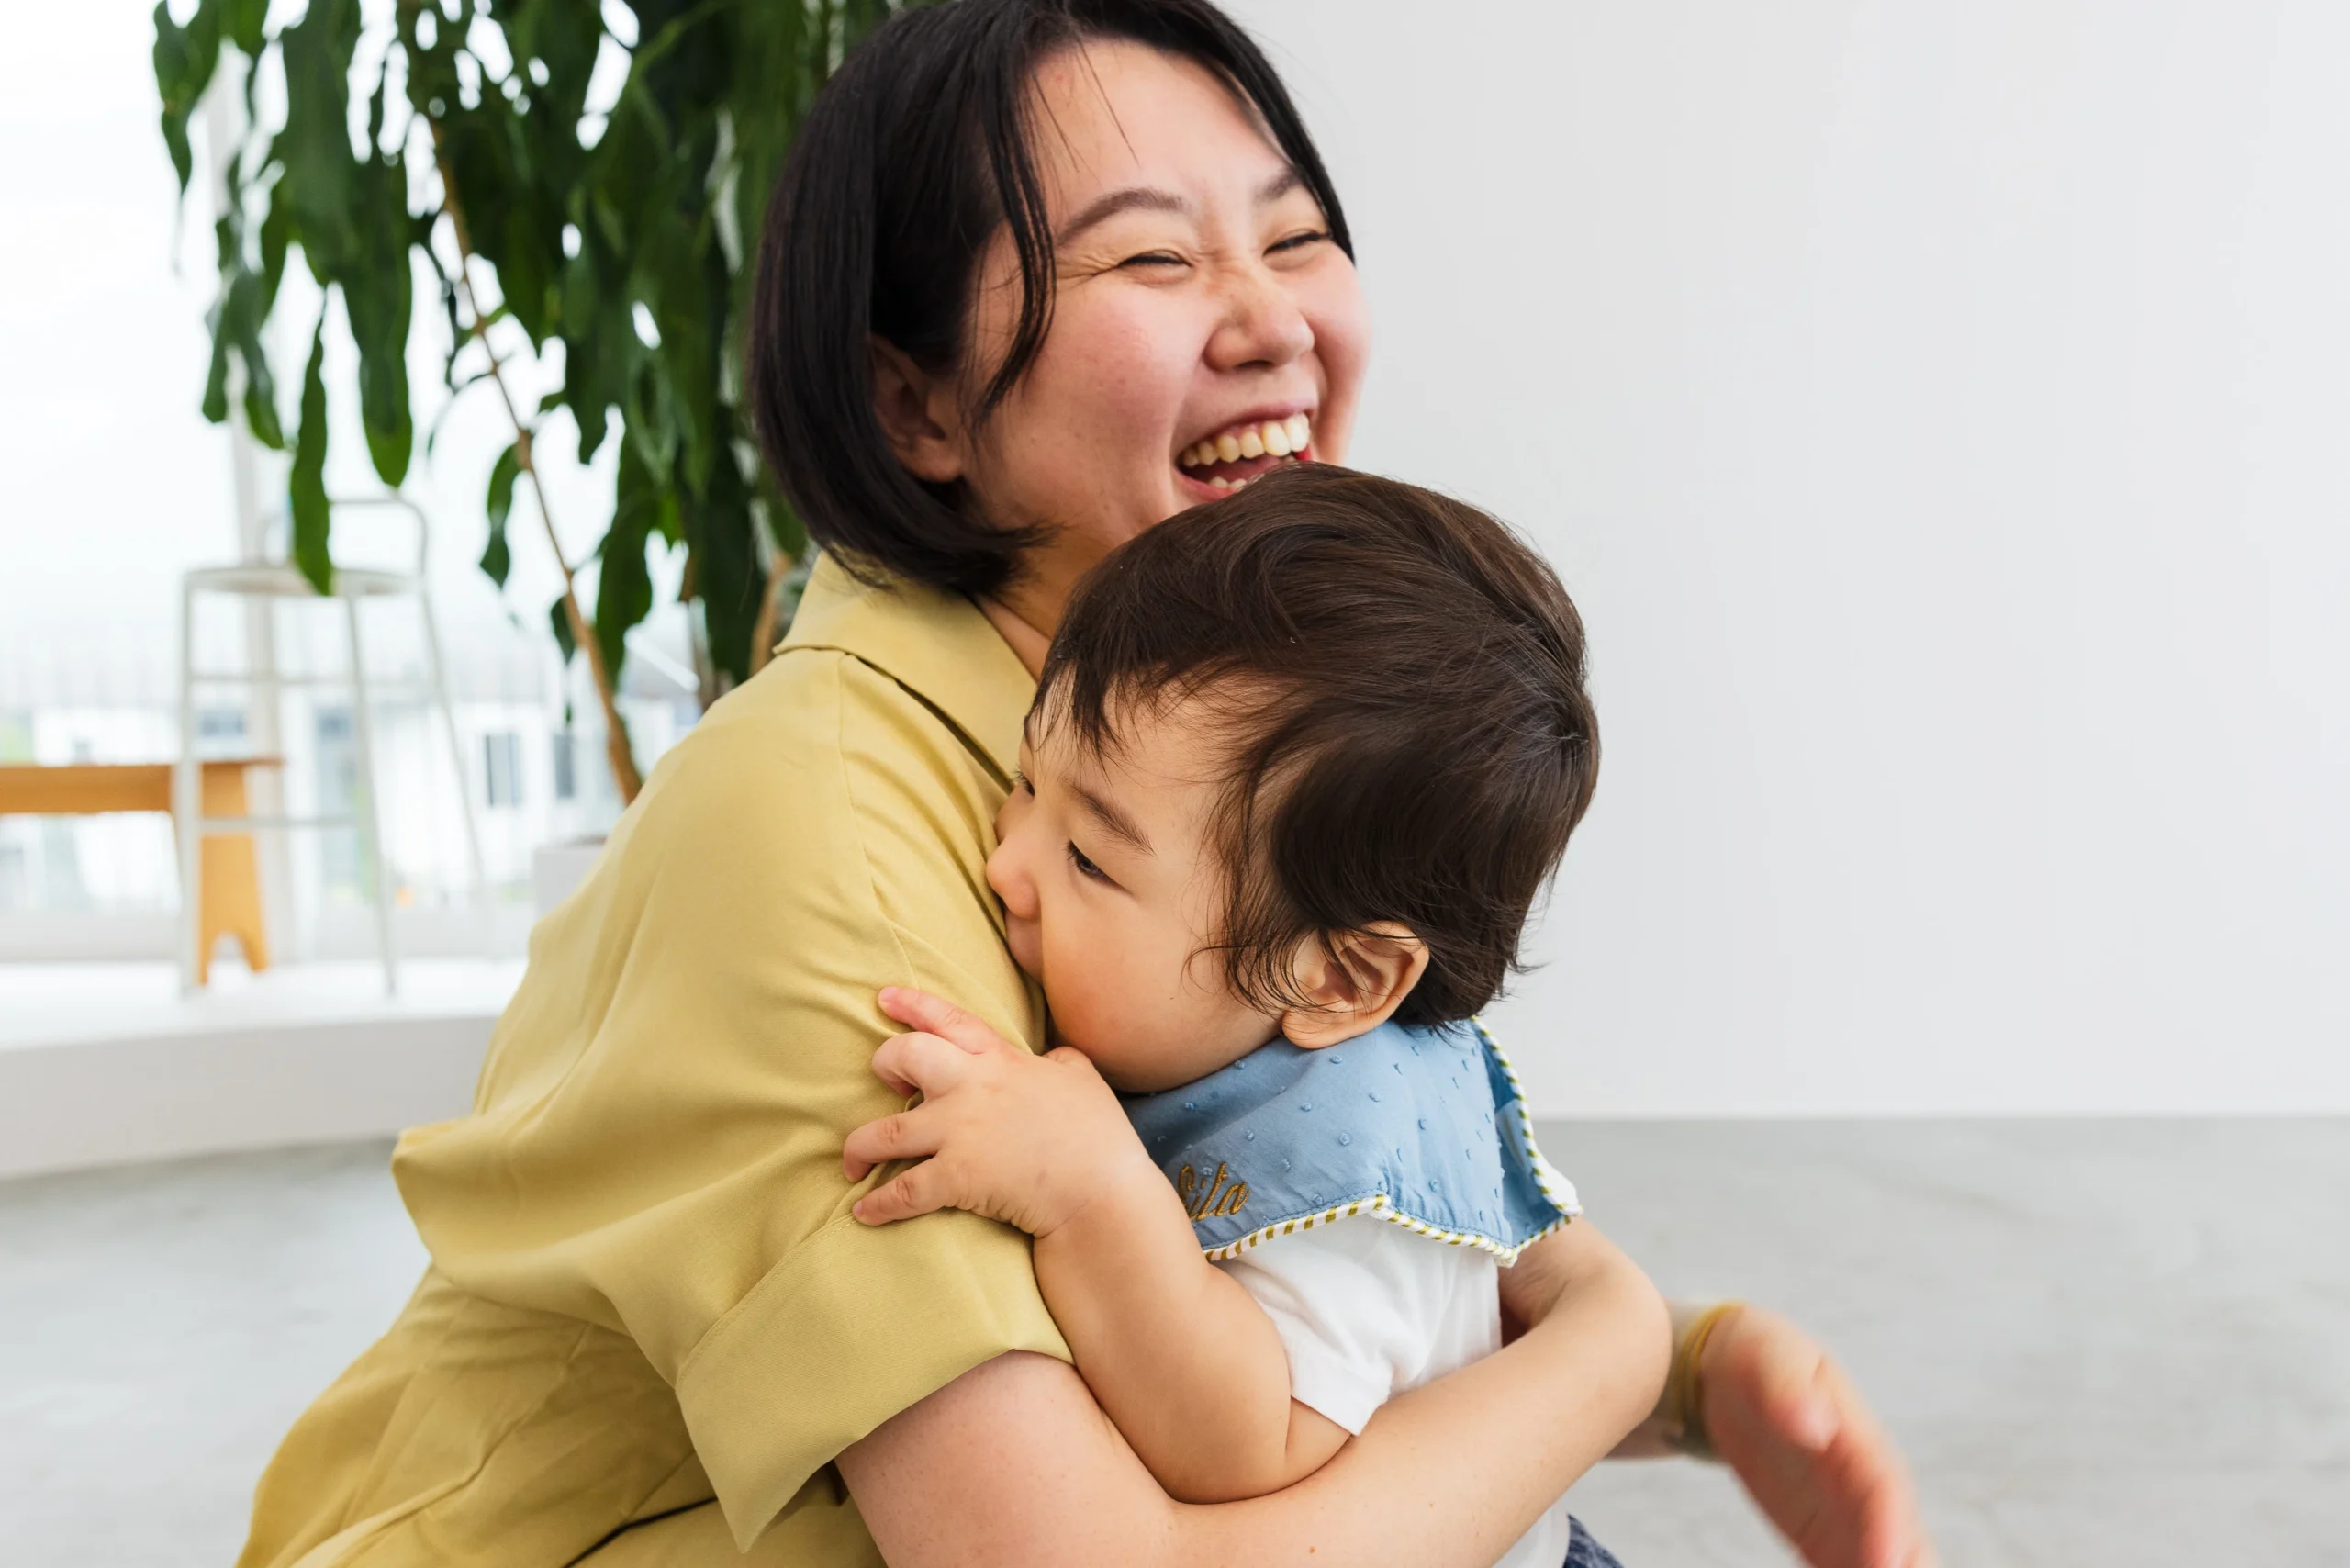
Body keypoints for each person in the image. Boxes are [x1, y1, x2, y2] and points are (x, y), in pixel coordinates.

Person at [235, 4, 1934, 1565]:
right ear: (915, 403)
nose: (1271, 320)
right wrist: (1608, 1338)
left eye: (1293, 235)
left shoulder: (1194, 739)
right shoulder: (823, 820)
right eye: (1153, 258)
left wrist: (1671, 1367)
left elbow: (1271, 1319)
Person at [841, 464, 1669, 1568]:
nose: (1006, 863)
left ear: (1335, 980)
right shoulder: (1235, 1027)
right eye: (1028, 778)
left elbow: (1248, 1437)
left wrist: (1095, 1196)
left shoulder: (1354, 1206)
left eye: (1087, 855)